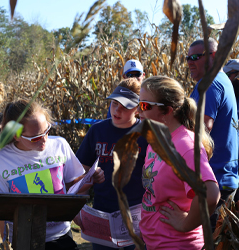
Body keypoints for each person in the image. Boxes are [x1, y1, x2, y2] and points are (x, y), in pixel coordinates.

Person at [0, 99, 105, 250]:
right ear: (16, 135)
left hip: (60, 235)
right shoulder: (1, 158)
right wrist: (6, 239)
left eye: (47, 131)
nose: (44, 140)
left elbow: (73, 183)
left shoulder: (60, 145)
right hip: (23, 238)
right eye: (36, 138)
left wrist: (90, 178)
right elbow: (2, 206)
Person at [138, 75, 220, 249]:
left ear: (167, 110)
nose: (138, 111)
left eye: (144, 105)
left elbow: (210, 194)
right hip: (153, 241)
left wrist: (186, 224)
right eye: (138, 104)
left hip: (176, 244)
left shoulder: (186, 145)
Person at [75, 78, 148, 250]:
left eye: (126, 106)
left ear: (138, 109)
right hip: (102, 216)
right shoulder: (97, 131)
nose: (117, 109)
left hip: (137, 219)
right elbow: (80, 175)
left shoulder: (146, 135)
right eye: (114, 103)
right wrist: (77, 209)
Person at [187, 39, 239, 224]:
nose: (189, 62)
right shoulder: (220, 79)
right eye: (187, 58)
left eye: (195, 57)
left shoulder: (211, 83)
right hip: (221, 179)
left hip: (214, 182)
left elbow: (202, 129)